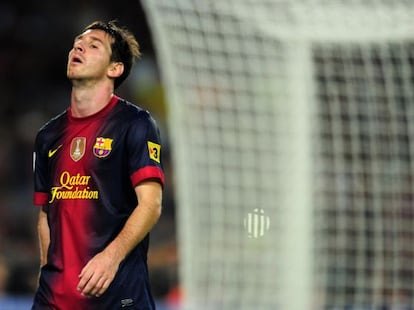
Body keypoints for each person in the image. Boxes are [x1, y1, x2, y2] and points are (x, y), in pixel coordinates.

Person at [31, 20, 164, 309]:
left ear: (114, 69)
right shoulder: (48, 136)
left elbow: (151, 205)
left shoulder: (135, 124)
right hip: (54, 300)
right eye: (78, 42)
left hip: (117, 295)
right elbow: (45, 213)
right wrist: (48, 276)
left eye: (94, 46)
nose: (78, 47)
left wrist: (110, 257)